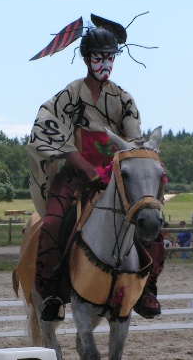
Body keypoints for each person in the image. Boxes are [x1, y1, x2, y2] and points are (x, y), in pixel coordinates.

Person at [27, 16, 164, 321]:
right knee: (51, 223)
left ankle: (148, 289)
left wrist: (134, 157)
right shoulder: (68, 95)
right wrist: (85, 166)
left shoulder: (124, 98)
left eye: (110, 57)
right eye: (99, 57)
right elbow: (49, 132)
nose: (105, 63)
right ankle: (52, 291)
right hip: (77, 174)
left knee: (151, 217)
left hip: (117, 175)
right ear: (87, 59)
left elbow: (133, 136)